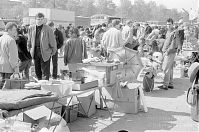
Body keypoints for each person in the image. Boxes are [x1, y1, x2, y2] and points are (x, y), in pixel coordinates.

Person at [27, 13, 57, 80]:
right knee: (37, 70)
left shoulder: (48, 29)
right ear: (35, 19)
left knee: (45, 72)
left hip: (45, 51)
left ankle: (45, 86)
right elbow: (29, 40)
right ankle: (39, 84)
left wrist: (53, 51)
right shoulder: (31, 28)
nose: (40, 21)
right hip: (35, 51)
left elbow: (52, 41)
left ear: (43, 20)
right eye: (38, 19)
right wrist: (29, 48)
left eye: (41, 19)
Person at [158, 18, 181, 90]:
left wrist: (167, 51)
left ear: (172, 24)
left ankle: (165, 85)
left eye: (169, 24)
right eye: (167, 24)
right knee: (170, 68)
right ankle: (170, 83)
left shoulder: (174, 32)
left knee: (166, 68)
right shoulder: (168, 31)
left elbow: (173, 44)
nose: (168, 25)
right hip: (168, 51)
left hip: (170, 52)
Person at [0, 22, 19, 89]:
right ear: (8, 30)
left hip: (1, 66)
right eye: (14, 30)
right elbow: (13, 57)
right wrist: (16, 69)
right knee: (7, 90)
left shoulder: (1, 38)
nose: (15, 31)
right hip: (9, 68)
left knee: (1, 88)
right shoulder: (11, 40)